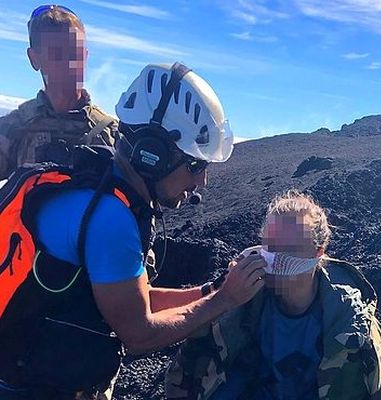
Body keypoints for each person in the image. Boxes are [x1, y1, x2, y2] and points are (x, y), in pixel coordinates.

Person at [0, 62, 266, 399]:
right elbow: (139, 332)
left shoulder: (107, 192)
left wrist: (212, 290)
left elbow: (131, 300)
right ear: (153, 154)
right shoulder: (112, 221)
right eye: (195, 165)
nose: (201, 181)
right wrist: (226, 300)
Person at [165, 191, 381, 400]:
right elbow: (190, 375)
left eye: (289, 249)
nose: (276, 259)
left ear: (317, 252)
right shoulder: (242, 304)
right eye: (270, 247)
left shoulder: (349, 322)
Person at [0, 4, 118, 180]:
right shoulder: (13, 128)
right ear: (34, 58)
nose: (70, 65)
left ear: (85, 56)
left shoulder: (111, 133)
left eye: (75, 54)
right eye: (56, 54)